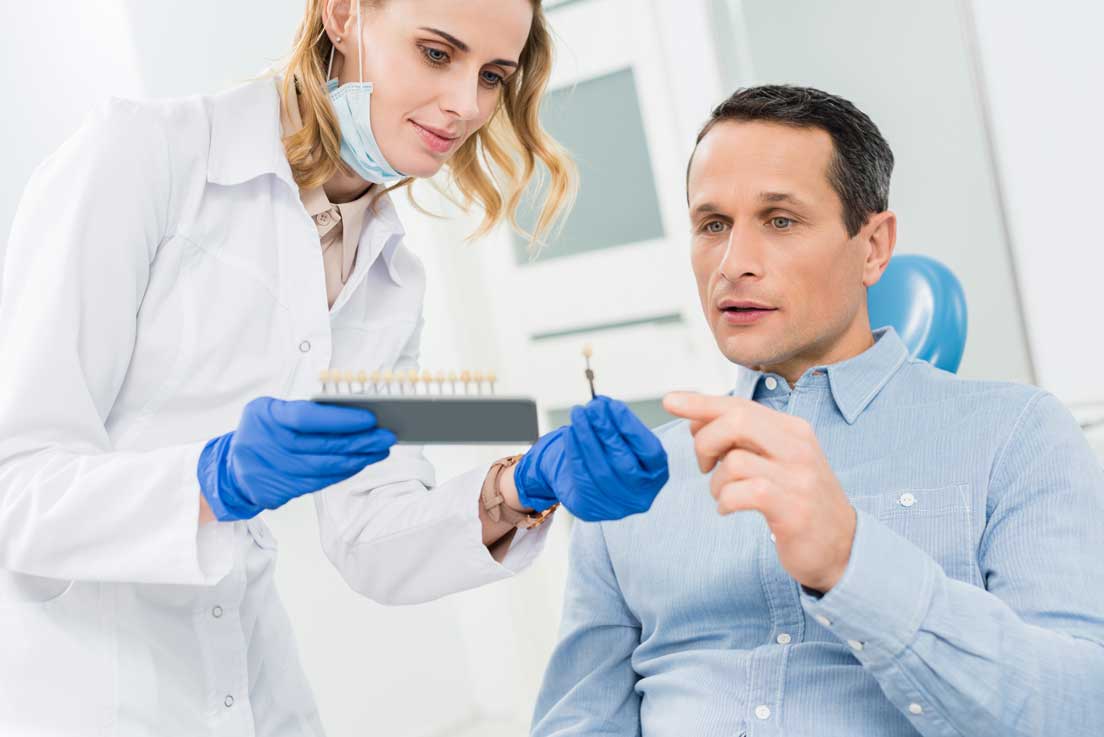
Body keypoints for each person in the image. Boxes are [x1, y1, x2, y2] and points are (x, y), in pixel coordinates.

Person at [0, 1, 670, 735]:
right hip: (81, 692)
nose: (465, 105)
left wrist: (519, 488)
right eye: (437, 53)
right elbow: (15, 485)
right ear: (343, 16)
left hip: (252, 689)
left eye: (492, 76)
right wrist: (212, 479)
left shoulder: (391, 274)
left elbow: (368, 536)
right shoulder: (146, 156)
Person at [531, 85, 1104, 736]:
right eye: (712, 224)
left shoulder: (1017, 435)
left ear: (873, 247)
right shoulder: (642, 479)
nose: (733, 264)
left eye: (780, 220)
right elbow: (576, 722)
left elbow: (1081, 711)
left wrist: (852, 559)